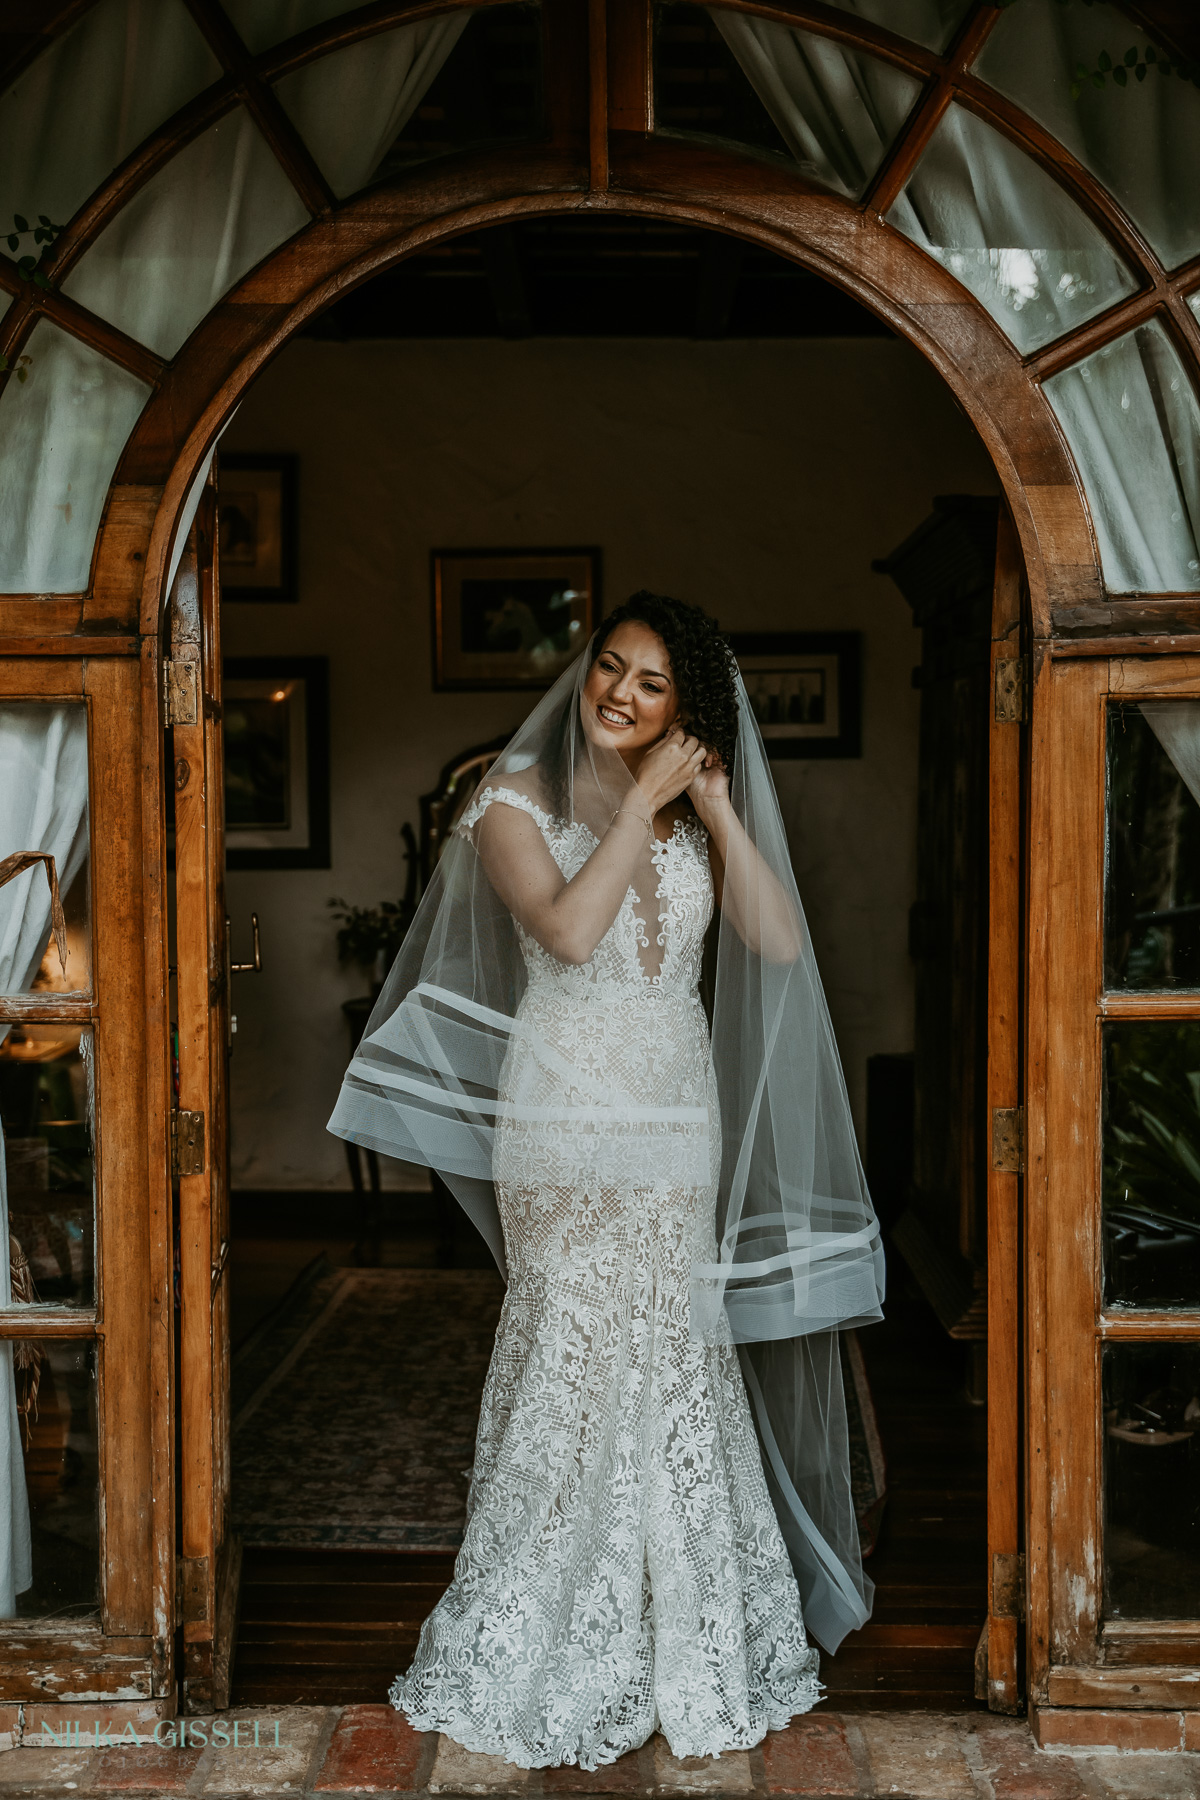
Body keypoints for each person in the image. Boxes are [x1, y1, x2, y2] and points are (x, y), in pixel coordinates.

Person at [328, 592, 884, 1771]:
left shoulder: (689, 825)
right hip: (567, 1115)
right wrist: (640, 803)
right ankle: (538, 1623)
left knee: (677, 1344)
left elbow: (778, 945)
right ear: (585, 672)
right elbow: (571, 935)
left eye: (652, 685)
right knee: (571, 1342)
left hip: (676, 1112)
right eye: (610, 670)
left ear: (687, 709)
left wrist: (721, 813)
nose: (621, 696)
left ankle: (678, 1624)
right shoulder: (508, 802)